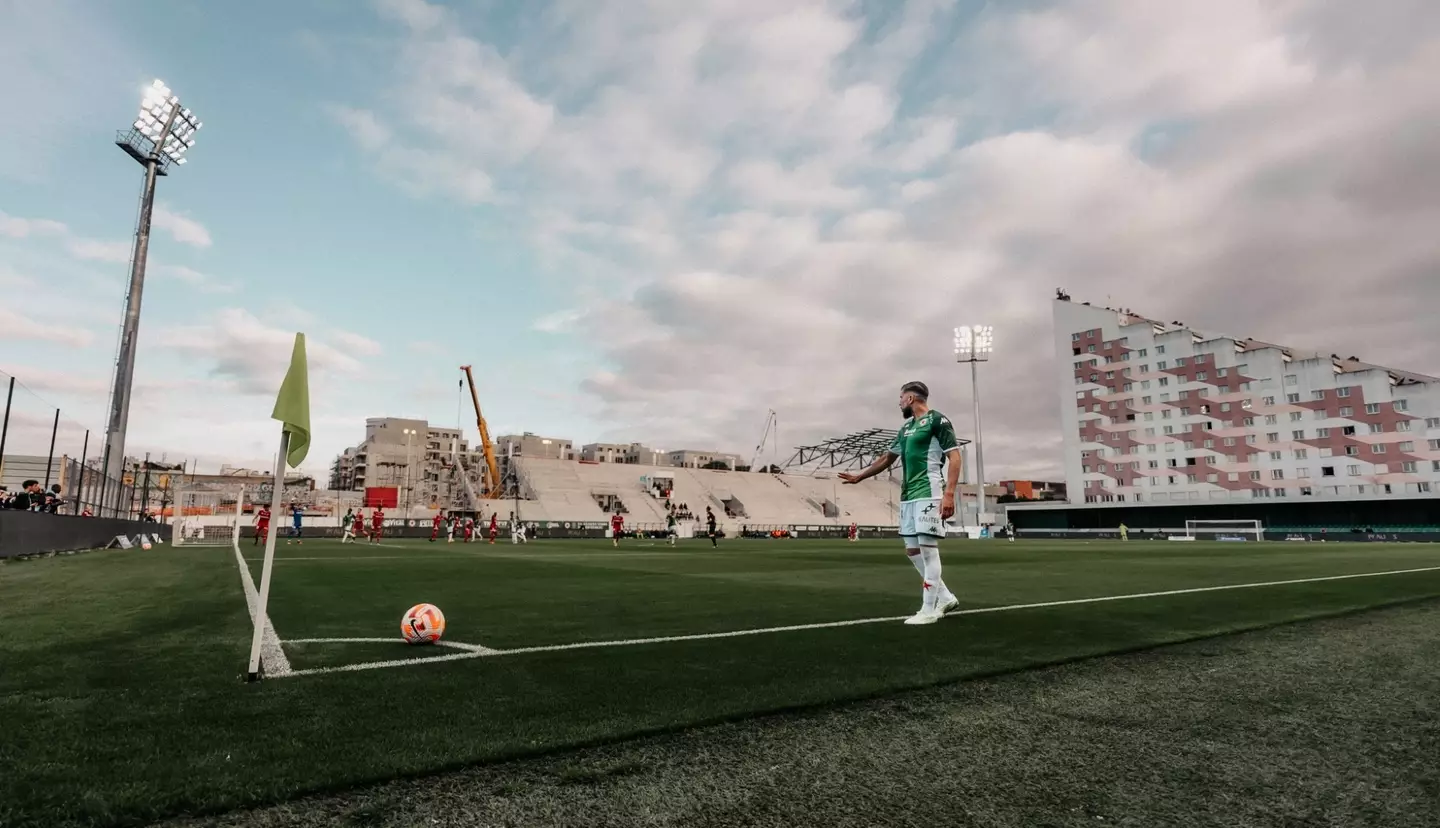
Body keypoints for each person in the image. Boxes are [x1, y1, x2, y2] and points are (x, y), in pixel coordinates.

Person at [840, 381, 961, 626]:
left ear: (910, 399)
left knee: (928, 550)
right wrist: (859, 476)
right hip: (908, 495)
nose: (899, 402)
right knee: (912, 551)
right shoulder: (906, 428)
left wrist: (949, 494)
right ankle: (946, 597)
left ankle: (928, 610)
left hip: (929, 492)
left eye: (901, 398)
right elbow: (887, 458)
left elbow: (955, 457)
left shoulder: (938, 421)